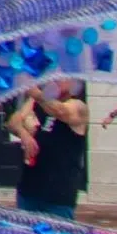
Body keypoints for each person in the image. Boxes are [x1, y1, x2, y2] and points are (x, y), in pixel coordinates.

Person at [11, 77, 89, 222]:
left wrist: (34, 91)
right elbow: (14, 120)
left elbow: (61, 112)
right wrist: (24, 134)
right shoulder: (39, 103)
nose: (56, 80)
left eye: (62, 76)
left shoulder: (78, 106)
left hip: (58, 196)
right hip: (29, 190)